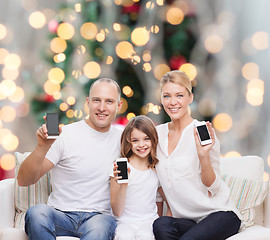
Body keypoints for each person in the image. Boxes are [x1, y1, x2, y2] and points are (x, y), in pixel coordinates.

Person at [17, 78, 123, 240]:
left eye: (109, 101)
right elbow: (24, 180)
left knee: (101, 227)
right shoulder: (66, 135)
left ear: (119, 105)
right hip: (60, 215)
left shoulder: (125, 139)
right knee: (37, 213)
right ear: (88, 102)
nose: (102, 107)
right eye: (96, 100)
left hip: (98, 218)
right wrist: (42, 147)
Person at [153, 70, 242, 240]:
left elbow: (213, 187)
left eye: (179, 95)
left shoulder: (202, 131)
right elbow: (160, 183)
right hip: (188, 221)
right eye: (167, 96)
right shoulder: (157, 134)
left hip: (219, 215)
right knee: (161, 224)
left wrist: (203, 155)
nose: (173, 102)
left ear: (190, 98)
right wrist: (170, 208)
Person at [110, 115, 170, 240]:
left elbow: (165, 200)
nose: (141, 145)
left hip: (148, 222)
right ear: (128, 142)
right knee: (124, 236)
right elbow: (117, 211)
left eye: (146, 139)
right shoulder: (119, 167)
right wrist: (123, 186)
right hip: (124, 222)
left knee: (146, 236)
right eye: (135, 140)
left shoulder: (156, 169)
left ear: (153, 139)